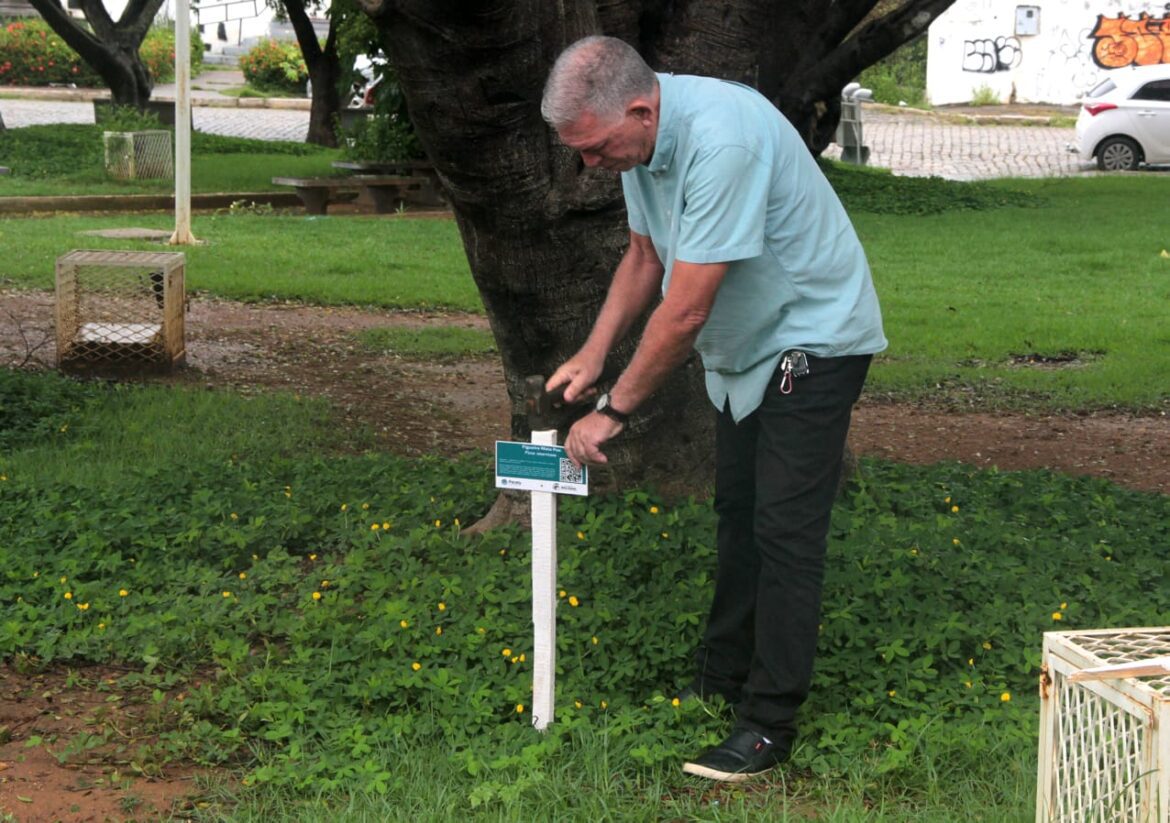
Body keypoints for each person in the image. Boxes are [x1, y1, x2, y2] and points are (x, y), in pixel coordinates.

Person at [540, 36, 887, 782]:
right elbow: (644, 258)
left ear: (640, 107)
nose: (591, 167)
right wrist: (593, 354)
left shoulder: (722, 139)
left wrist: (614, 410)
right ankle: (721, 679)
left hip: (812, 336)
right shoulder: (643, 142)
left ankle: (768, 723)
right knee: (739, 512)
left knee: (784, 530)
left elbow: (687, 309)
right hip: (750, 347)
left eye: (596, 149)